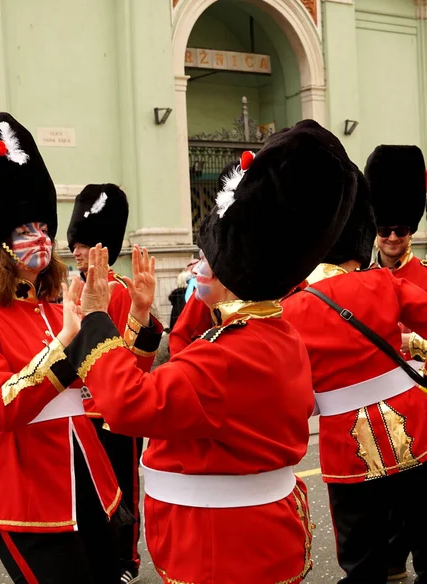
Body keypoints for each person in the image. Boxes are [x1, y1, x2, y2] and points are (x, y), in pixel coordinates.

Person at [61, 120, 358, 583]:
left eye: (205, 258)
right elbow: (167, 378)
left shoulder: (228, 354)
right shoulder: (269, 333)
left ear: (228, 271)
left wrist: (95, 318)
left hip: (221, 546)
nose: (197, 266)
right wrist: (140, 313)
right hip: (249, 535)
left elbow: (127, 404)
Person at [0, 112, 123, 583]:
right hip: (24, 490)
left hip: (85, 473)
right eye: (25, 229)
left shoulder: (53, 304)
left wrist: (121, 317)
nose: (40, 237)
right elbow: (3, 406)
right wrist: (67, 342)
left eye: (43, 224)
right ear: (0, 244)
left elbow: (106, 379)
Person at [282, 167, 427, 584]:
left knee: (362, 562)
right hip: (414, 432)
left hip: (346, 447)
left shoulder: (290, 309)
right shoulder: (383, 282)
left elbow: (290, 388)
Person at [67, 183, 149, 584]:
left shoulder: (116, 290)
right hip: (82, 410)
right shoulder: (75, 289)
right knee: (95, 493)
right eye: (75, 245)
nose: (76, 252)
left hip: (112, 408)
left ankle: (126, 559)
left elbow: (129, 353)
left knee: (123, 488)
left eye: (83, 245)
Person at [365, 144, 427, 581]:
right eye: (384, 228)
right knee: (382, 535)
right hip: (375, 418)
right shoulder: (357, 280)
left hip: (422, 416)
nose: (391, 238)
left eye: (400, 229)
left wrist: (415, 343)